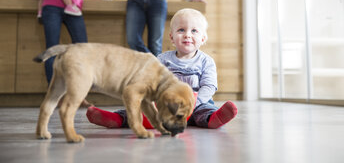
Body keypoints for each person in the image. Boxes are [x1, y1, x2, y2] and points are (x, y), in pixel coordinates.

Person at [86, 8, 238, 129]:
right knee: (140, 109)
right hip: (165, 104)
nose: (187, 35)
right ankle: (117, 119)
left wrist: (193, 103)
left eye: (194, 31)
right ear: (172, 37)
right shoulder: (163, 59)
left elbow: (209, 86)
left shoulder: (206, 61)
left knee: (205, 111)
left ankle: (214, 119)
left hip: (196, 104)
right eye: (181, 30)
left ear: (203, 39)